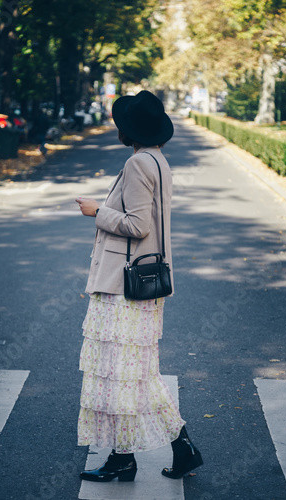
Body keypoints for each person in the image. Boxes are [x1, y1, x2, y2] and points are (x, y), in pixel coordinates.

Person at [75, 90, 203, 482]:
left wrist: (98, 211)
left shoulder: (136, 165)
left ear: (127, 130)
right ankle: (132, 456)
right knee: (132, 374)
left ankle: (163, 449)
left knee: (126, 373)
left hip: (123, 288)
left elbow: (136, 225)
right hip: (146, 285)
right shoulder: (159, 161)